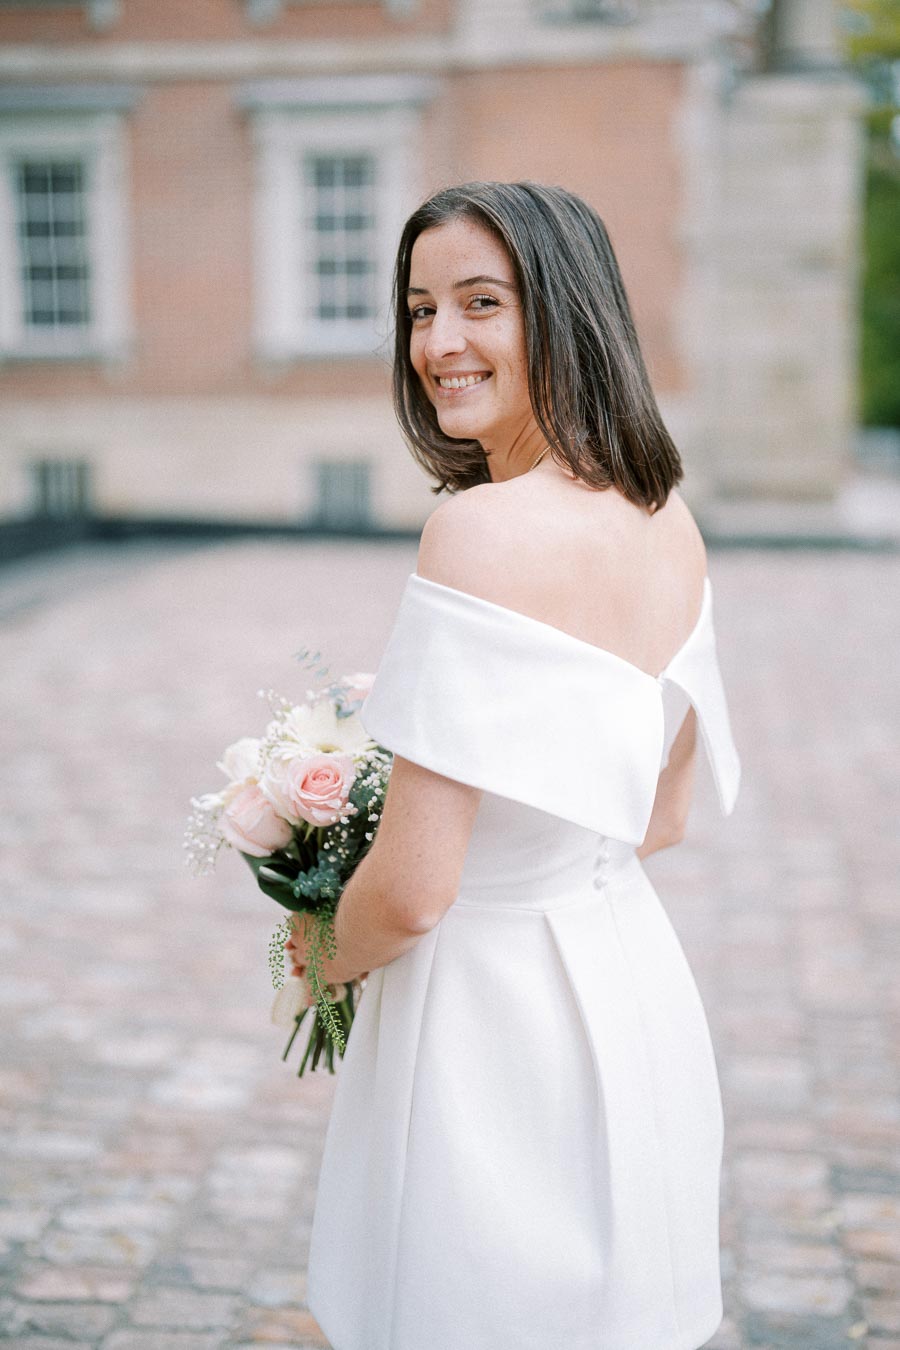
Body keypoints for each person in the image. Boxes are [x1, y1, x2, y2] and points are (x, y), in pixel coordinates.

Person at [288, 180, 741, 1350]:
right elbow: (666, 812)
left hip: (490, 1024)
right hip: (630, 983)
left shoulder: (478, 531)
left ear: (565, 309)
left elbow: (416, 889)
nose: (439, 343)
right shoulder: (667, 516)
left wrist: (317, 953)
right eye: (418, 308)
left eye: (481, 302)